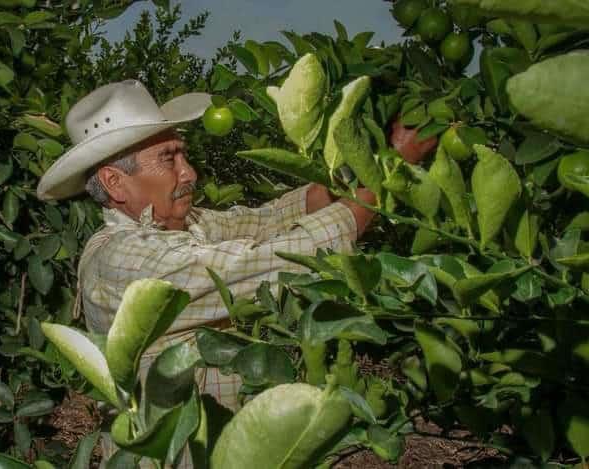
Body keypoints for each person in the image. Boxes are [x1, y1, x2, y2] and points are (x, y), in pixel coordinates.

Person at [37, 79, 435, 467]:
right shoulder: (122, 258)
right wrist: (394, 170)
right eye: (168, 159)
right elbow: (269, 263)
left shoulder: (185, 225)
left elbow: (270, 219)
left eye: (183, 155)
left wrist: (373, 157)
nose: (189, 172)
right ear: (114, 183)